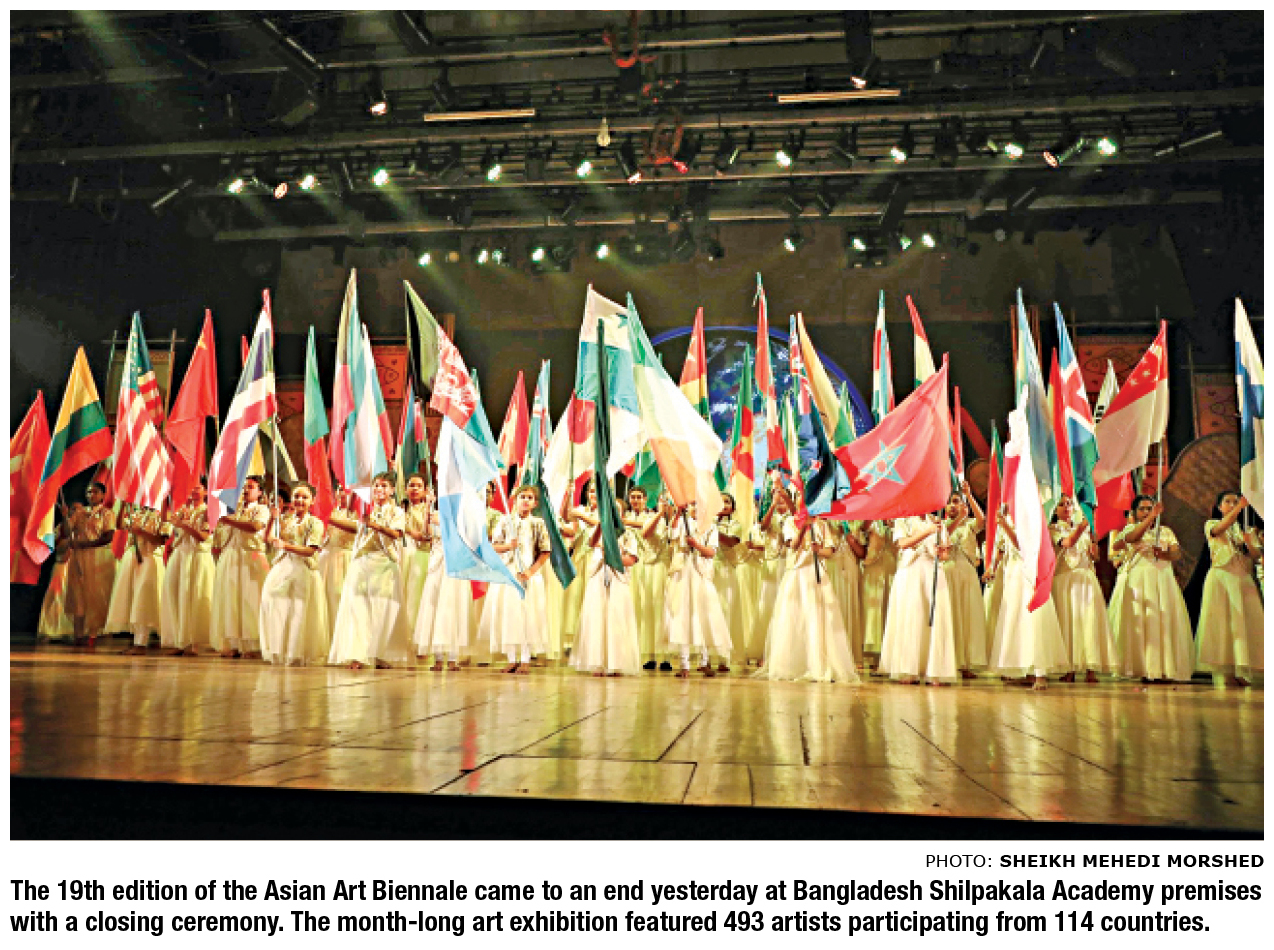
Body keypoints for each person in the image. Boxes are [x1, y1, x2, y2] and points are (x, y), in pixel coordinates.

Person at [758, 515, 859, 683]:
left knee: (817, 617)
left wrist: (819, 550)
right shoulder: (791, 522)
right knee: (796, 617)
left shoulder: (822, 524)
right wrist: (803, 527)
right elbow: (793, 544)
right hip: (797, 575)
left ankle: (818, 664)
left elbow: (829, 551)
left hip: (816, 574)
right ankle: (793, 664)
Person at [330, 473, 413, 669]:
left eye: (384, 486)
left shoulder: (397, 512)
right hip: (362, 563)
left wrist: (375, 525)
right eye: (376, 485)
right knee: (358, 609)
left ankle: (381, 654)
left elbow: (396, 533)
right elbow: (356, 528)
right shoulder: (367, 509)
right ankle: (357, 655)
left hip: (385, 564)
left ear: (392, 490)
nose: (379, 489)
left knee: (383, 610)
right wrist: (330, 519)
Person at [1108, 495, 1194, 683]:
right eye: (1142, 509)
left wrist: (1164, 554)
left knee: (1162, 621)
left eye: (1150, 508)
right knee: (1144, 620)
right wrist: (1150, 518)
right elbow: (1131, 538)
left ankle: (1162, 667)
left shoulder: (1165, 531)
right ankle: (1143, 667)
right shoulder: (1131, 528)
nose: (1147, 512)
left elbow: (1176, 553)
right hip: (1140, 580)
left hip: (1162, 579)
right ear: (1134, 512)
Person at [987, 507, 1069, 690]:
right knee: (1016, 620)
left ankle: (1040, 673)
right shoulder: (1007, 517)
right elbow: (1002, 549)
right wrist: (992, 568)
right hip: (1012, 573)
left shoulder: (1031, 514)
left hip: (1029, 573)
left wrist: (1005, 526)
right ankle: (1023, 669)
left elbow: (1024, 546)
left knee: (1034, 620)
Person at [479, 485, 552, 673]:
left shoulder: (538, 523)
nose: (525, 500)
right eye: (522, 497)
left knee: (527, 616)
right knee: (509, 616)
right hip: (507, 574)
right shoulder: (505, 521)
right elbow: (493, 546)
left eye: (529, 497)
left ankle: (526, 659)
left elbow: (545, 551)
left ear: (535, 503)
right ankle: (512, 659)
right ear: (515, 500)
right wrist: (508, 546)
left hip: (527, 575)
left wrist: (531, 571)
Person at [878, 514, 957, 686]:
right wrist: (928, 531)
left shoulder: (937, 522)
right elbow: (902, 543)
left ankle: (934, 671)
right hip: (911, 572)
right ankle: (909, 669)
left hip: (933, 572)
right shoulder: (903, 520)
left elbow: (945, 554)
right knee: (912, 618)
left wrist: (940, 552)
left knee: (934, 618)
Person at [1195, 491, 1264, 687]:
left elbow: (1255, 556)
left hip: (1242, 578)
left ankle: (1241, 669)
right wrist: (1240, 508)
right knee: (1223, 625)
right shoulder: (1211, 524)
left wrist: (1250, 541)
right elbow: (1219, 530)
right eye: (1228, 501)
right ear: (1219, 506)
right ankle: (1224, 670)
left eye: (1235, 501)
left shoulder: (1244, 529)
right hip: (1222, 578)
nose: (1232, 504)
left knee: (1242, 624)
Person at [260, 482, 329, 666]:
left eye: (304, 497)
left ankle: (295, 652)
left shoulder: (315, 523)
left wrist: (286, 546)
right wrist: (272, 519)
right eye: (297, 496)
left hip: (302, 569)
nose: (300, 500)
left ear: (312, 501)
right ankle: (279, 649)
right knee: (278, 607)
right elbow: (268, 538)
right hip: (283, 568)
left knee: (298, 611)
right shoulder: (286, 520)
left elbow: (310, 550)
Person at [663, 502, 733, 677]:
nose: (695, 509)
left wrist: (696, 545)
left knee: (704, 615)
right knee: (682, 615)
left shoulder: (711, 527)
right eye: (693, 506)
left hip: (701, 574)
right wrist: (677, 514)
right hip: (682, 574)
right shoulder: (682, 522)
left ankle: (704, 661)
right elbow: (672, 535)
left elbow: (711, 552)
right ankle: (684, 664)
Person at [1050, 495, 1114, 682]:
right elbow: (1067, 543)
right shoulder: (1053, 529)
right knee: (1069, 622)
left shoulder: (1085, 530)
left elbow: (1094, 557)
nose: (1066, 507)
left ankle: (1090, 669)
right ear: (1055, 510)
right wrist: (1084, 525)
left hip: (1086, 578)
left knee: (1088, 622)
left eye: (1069, 504)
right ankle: (1069, 668)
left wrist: (1094, 549)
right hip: (1066, 579)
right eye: (1061, 505)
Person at [571, 515, 642, 676]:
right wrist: (600, 525)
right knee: (598, 619)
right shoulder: (598, 530)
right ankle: (598, 662)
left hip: (618, 578)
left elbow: (631, 559)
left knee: (616, 619)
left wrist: (612, 556)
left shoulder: (628, 534)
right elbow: (591, 543)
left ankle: (617, 663)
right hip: (598, 578)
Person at [209, 476, 271, 659]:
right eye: (244, 486)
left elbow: (255, 526)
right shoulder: (232, 509)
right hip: (230, 556)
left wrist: (228, 520)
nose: (246, 490)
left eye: (251, 487)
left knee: (249, 600)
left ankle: (252, 645)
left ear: (259, 492)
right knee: (230, 601)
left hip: (250, 557)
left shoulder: (262, 509)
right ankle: (233, 643)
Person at [106, 504, 170, 655]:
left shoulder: (162, 515)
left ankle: (141, 643)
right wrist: (123, 504)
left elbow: (162, 539)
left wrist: (141, 532)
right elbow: (120, 525)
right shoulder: (136, 513)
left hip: (149, 558)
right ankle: (136, 641)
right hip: (133, 558)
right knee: (132, 600)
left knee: (143, 601)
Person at [160, 482, 215, 656]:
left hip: (197, 556)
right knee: (175, 594)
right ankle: (179, 640)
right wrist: (164, 498)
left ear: (205, 492)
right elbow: (165, 520)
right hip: (180, 554)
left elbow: (203, 536)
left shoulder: (208, 511)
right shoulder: (183, 509)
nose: (193, 491)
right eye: (191, 487)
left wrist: (184, 525)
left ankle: (194, 643)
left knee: (194, 597)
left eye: (198, 488)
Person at [943, 486, 988, 679]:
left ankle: (966, 663)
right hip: (947, 573)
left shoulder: (969, 525)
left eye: (955, 501)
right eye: (949, 503)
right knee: (951, 616)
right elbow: (944, 535)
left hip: (967, 573)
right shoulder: (940, 525)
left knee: (967, 617)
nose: (952, 506)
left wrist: (969, 495)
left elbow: (982, 521)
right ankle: (948, 661)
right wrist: (958, 519)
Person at [64, 481, 116, 648]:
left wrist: (85, 544)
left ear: (102, 495)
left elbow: (108, 537)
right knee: (77, 594)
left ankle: (93, 633)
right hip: (78, 557)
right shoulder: (80, 513)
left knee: (95, 595)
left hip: (98, 557)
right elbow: (66, 532)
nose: (91, 495)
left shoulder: (107, 513)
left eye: (95, 492)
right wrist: (65, 516)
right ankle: (78, 634)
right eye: (88, 492)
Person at [622, 486, 668, 669]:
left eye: (639, 497)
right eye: (632, 497)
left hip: (656, 565)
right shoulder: (625, 518)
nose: (635, 500)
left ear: (645, 499)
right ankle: (646, 654)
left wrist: (660, 513)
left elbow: (647, 533)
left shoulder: (656, 518)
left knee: (658, 609)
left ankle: (664, 656)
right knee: (639, 610)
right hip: (635, 567)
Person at [749, 485, 792, 664]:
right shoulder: (771, 516)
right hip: (772, 565)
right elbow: (764, 527)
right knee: (768, 607)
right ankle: (765, 652)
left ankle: (785, 652)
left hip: (788, 563)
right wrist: (772, 506)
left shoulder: (793, 517)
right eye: (776, 495)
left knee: (786, 608)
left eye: (782, 495)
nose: (779, 498)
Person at [560, 482, 600, 655]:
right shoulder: (582, 509)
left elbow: (598, 523)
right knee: (574, 598)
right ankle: (571, 640)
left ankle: (592, 640)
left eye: (596, 491)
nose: (593, 494)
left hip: (595, 559)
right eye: (591, 491)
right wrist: (569, 495)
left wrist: (581, 516)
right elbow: (566, 516)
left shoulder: (604, 511)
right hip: (578, 558)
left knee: (592, 599)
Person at [317, 490, 358, 637]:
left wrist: (329, 519)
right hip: (325, 559)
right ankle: (325, 636)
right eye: (339, 490)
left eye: (346, 491)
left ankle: (342, 637)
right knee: (324, 597)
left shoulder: (356, 514)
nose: (342, 493)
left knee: (340, 597)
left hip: (344, 559)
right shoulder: (331, 511)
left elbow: (356, 528)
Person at [713, 492, 745, 670]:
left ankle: (723, 658)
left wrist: (711, 530)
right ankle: (706, 657)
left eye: (727, 502)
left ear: (732, 508)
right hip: (708, 572)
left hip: (726, 571)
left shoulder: (735, 525)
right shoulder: (707, 522)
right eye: (720, 501)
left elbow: (731, 541)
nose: (723, 505)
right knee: (709, 612)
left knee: (725, 612)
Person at [860, 519, 897, 663]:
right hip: (873, 566)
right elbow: (862, 532)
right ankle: (871, 650)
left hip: (891, 565)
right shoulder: (871, 520)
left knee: (889, 605)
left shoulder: (897, 521)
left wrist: (891, 525)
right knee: (873, 609)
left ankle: (889, 649)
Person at [400, 475, 434, 627]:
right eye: (411, 485)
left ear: (425, 490)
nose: (415, 489)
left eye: (419, 486)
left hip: (419, 556)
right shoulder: (399, 509)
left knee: (415, 595)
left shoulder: (429, 510)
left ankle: (414, 630)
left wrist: (405, 529)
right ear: (405, 489)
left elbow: (426, 536)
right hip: (399, 555)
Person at [37, 514, 75, 641]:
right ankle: (51, 630)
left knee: (70, 600)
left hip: (74, 569)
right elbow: (58, 547)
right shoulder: (61, 528)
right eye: (73, 510)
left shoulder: (83, 526)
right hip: (61, 568)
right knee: (55, 598)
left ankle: (68, 631)